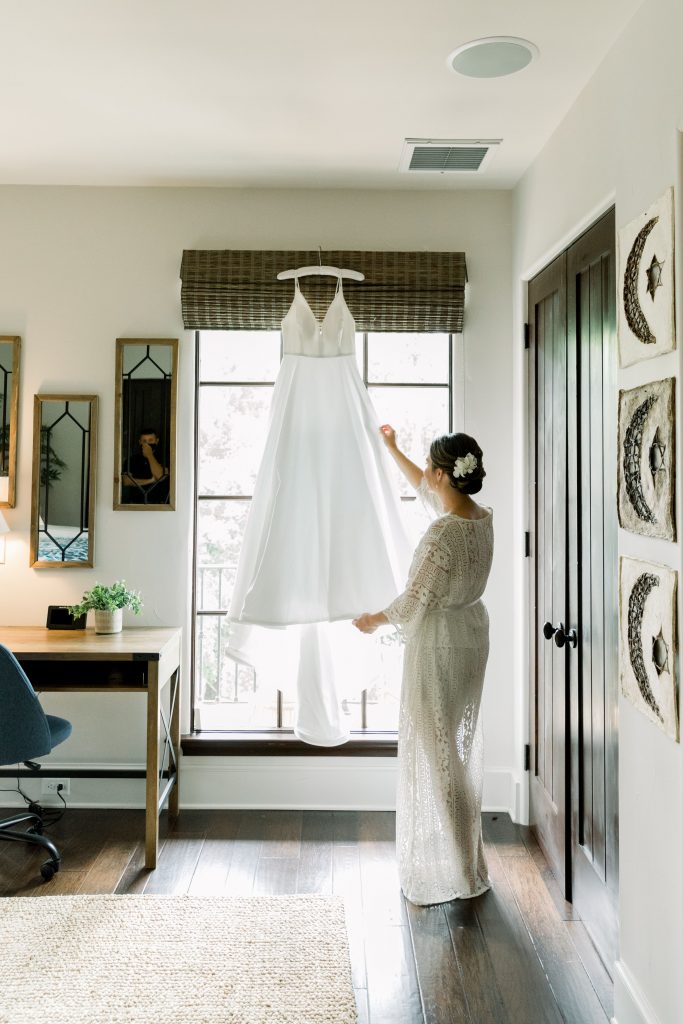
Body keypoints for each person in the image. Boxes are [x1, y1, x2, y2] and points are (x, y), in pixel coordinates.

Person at [353, 425, 493, 905]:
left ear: (443, 474)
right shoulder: (480, 518)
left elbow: (416, 599)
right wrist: (393, 450)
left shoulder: (442, 534)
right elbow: (425, 487)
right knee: (452, 748)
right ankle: (469, 858)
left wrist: (374, 619)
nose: (427, 481)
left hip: (440, 644)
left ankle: (462, 868)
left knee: (439, 755)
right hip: (472, 637)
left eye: (431, 472)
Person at [121, 427, 169, 504]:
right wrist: (151, 480)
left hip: (159, 505)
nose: (147, 443)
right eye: (144, 441)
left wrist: (149, 454)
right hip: (135, 505)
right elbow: (126, 481)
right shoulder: (131, 460)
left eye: (150, 440)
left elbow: (159, 476)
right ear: (140, 442)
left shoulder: (164, 458)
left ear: (157, 441)